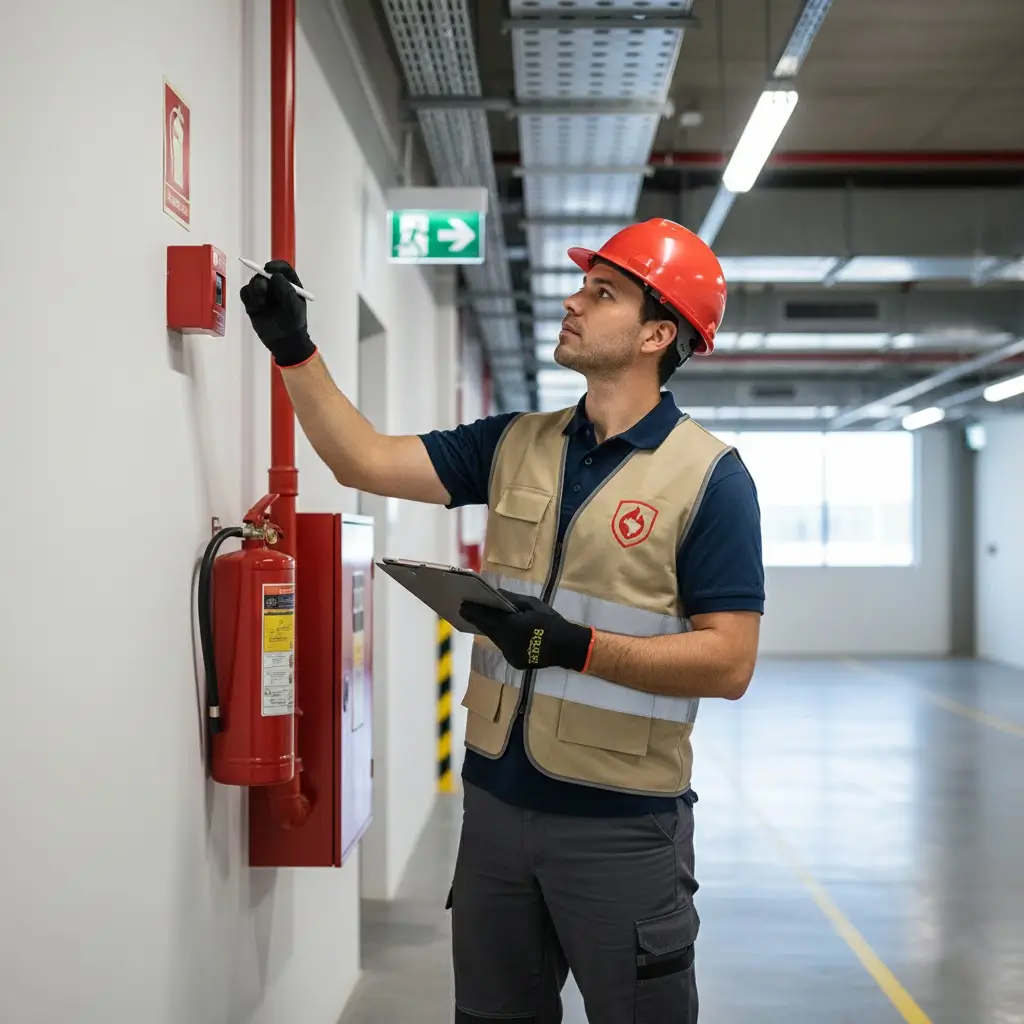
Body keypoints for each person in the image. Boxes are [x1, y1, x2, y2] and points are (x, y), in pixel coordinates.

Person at [240, 217, 765, 1024]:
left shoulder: (711, 479)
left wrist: (575, 647)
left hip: (620, 828)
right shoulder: (517, 442)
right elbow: (363, 460)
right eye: (583, 286)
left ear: (659, 333)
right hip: (493, 813)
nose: (573, 303)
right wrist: (293, 351)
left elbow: (729, 663)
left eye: (602, 292)